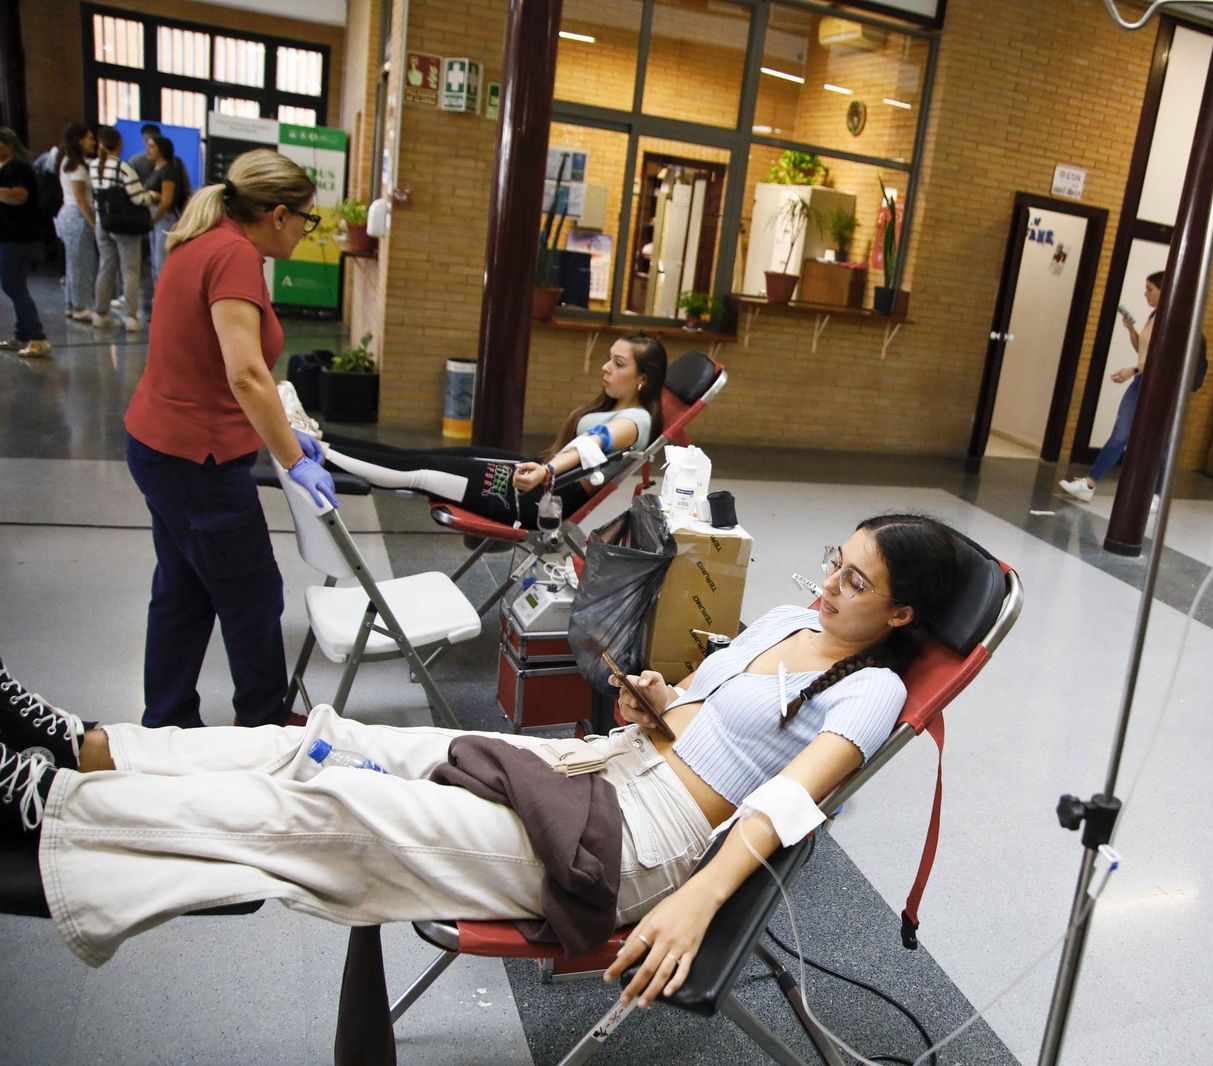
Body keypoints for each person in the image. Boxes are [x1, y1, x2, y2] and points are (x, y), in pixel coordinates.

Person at [0, 514, 961, 1009]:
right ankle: (91, 748)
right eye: (835, 560)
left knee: (335, 807)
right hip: (602, 764)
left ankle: (60, 812)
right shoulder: (796, 619)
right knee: (332, 738)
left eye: (856, 582)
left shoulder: (869, 691)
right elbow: (711, 716)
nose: (828, 584)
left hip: (636, 846)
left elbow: (788, 805)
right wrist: (662, 704)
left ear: (903, 615)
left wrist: (697, 900)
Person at [123, 148, 335, 731]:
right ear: (276, 214)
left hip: (161, 446)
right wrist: (293, 459)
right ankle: (263, 728)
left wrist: (278, 429)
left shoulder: (201, 240)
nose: (304, 232)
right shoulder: (235, 256)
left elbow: (210, 366)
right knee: (252, 595)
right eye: (306, 219)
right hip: (198, 462)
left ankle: (167, 725)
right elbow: (245, 373)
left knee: (183, 591)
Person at [314, 332, 667, 525]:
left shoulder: (635, 422)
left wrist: (546, 470)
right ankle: (318, 437)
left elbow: (593, 443)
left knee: (417, 472)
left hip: (534, 497)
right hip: (533, 477)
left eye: (618, 364)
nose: (605, 368)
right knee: (415, 456)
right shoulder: (619, 408)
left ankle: (319, 452)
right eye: (609, 358)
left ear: (642, 379)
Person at [1059, 271, 1164, 506]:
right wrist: (1131, 330)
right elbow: (1143, 350)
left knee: (1158, 441)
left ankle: (1156, 494)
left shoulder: (1169, 320)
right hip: (1140, 383)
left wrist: (1133, 370)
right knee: (1120, 434)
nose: (1145, 294)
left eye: (1150, 289)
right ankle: (1089, 483)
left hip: (1155, 387)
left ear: (1163, 290)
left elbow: (1160, 358)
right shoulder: (1154, 315)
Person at [88, 125, 155, 332]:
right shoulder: (123, 168)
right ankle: (131, 317)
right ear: (118, 144)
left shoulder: (93, 166)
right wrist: (153, 196)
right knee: (130, 270)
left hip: (102, 222)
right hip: (124, 226)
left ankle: (100, 313)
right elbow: (137, 197)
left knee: (106, 267)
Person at [0, 128, 52, 359]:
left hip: (18, 237)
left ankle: (38, 337)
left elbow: (19, 196)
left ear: (8, 145)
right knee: (12, 285)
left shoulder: (18, 168)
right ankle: (22, 334)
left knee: (14, 286)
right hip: (7, 236)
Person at [54, 124, 98, 323]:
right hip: (77, 216)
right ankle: (80, 306)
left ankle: (72, 303)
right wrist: (94, 223)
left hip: (68, 215)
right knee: (82, 262)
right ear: (79, 140)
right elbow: (81, 200)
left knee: (73, 262)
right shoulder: (77, 167)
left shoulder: (68, 162)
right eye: (89, 138)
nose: (93, 142)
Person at [143, 135, 189, 294]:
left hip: (164, 219)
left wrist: (152, 220)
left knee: (161, 263)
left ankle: (164, 298)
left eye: (152, 147)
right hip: (156, 219)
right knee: (156, 263)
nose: (148, 150)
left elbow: (166, 200)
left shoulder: (168, 171)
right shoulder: (155, 169)